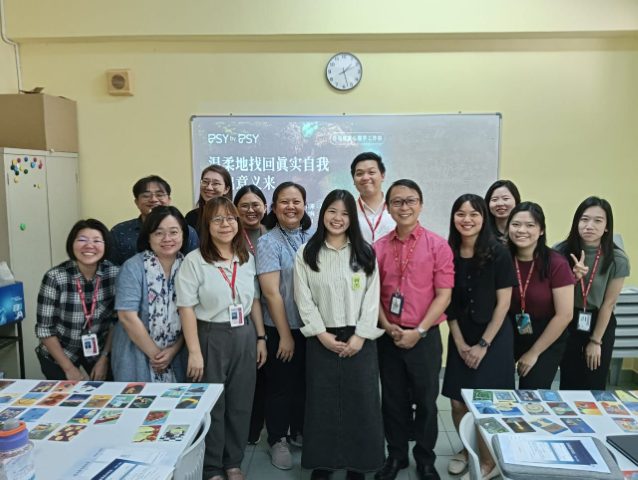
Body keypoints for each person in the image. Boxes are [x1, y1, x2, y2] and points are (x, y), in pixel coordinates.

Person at [294, 189, 384, 480]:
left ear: (352, 218)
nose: (337, 218)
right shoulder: (306, 253)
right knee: (322, 405)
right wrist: (321, 334)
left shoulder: (365, 252)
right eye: (332, 211)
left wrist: (360, 336)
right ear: (323, 214)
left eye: (345, 213)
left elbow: (372, 298)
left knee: (362, 404)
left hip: (360, 339)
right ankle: (324, 463)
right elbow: (303, 299)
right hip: (321, 339)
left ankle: (359, 465)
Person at [176, 196, 267, 480]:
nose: (225, 224)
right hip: (210, 335)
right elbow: (186, 308)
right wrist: (194, 351)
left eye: (230, 218)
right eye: (217, 219)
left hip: (244, 335)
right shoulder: (194, 261)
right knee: (213, 404)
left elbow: (254, 300)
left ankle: (233, 462)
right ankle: (212, 467)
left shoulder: (246, 258)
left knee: (241, 402)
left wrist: (260, 337)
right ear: (207, 225)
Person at [374, 179, 454, 480]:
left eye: (410, 201)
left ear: (420, 204)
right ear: (388, 207)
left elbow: (444, 295)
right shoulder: (378, 248)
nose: (404, 207)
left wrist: (418, 331)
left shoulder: (438, 245)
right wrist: (387, 325)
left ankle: (425, 459)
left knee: (426, 402)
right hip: (389, 335)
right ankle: (396, 456)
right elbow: (372, 294)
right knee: (392, 401)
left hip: (425, 337)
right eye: (397, 201)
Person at [441, 194, 516, 480]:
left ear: (483, 218)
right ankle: (468, 448)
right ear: (453, 218)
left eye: (474, 214)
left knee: (487, 403)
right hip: (461, 335)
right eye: (461, 214)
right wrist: (460, 343)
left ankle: (489, 460)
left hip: (493, 338)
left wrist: (483, 345)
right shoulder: (447, 252)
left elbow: (504, 305)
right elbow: (447, 303)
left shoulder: (498, 253)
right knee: (457, 402)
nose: (467, 219)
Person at [256, 181, 313, 470]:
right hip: (281, 328)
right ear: (274, 207)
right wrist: (286, 335)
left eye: (296, 201)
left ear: (305, 205)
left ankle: (299, 430)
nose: (291, 207)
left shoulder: (313, 237)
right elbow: (271, 293)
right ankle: (277, 438)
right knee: (280, 386)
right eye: (284, 202)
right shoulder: (268, 242)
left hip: (312, 327)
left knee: (305, 383)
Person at [556, 196, 630, 390]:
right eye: (584, 219)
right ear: (576, 222)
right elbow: (553, 296)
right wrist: (573, 278)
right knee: (569, 379)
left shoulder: (617, 259)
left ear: (606, 227)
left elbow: (609, 303)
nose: (590, 226)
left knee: (594, 382)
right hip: (568, 318)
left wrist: (596, 341)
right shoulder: (560, 252)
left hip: (599, 321)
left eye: (598, 220)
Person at [111, 206, 189, 382]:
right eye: (158, 233)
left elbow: (192, 316)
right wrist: (157, 356)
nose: (167, 239)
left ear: (183, 235)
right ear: (148, 236)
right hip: (136, 355)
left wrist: (173, 350)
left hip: (177, 356)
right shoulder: (133, 267)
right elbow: (127, 317)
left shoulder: (189, 266)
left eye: (173, 232)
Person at [36, 219, 119, 380]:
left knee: (105, 392)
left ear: (106, 245)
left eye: (96, 241)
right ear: (72, 244)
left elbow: (116, 322)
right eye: (82, 240)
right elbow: (45, 329)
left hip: (100, 351)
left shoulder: (115, 274)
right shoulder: (55, 277)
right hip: (60, 352)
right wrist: (69, 368)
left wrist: (104, 358)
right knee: (66, 394)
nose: (89, 245)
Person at [506, 202, 574, 389]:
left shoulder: (556, 263)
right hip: (510, 330)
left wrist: (533, 353)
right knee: (499, 387)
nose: (522, 230)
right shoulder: (502, 258)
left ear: (541, 230)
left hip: (547, 334)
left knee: (532, 393)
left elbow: (565, 315)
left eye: (530, 225)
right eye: (516, 224)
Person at [233, 185, 268, 445]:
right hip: (244, 317)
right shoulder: (230, 237)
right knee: (247, 377)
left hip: (274, 314)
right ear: (235, 209)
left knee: (268, 376)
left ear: (265, 207)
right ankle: (247, 430)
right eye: (244, 205)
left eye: (256, 204)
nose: (250, 210)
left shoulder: (273, 235)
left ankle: (262, 427)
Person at [110, 175, 199, 265]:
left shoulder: (187, 231)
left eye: (159, 195)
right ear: (137, 202)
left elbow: (195, 264)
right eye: (146, 196)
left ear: (169, 200)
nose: (153, 199)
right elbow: (111, 267)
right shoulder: (119, 232)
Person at [351, 152, 395, 243]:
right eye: (359, 174)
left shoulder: (397, 209)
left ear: (382, 176)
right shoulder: (348, 212)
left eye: (371, 172)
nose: (365, 177)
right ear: (354, 180)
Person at [185, 165, 233, 233]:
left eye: (215, 183)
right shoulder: (191, 217)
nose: (209, 187)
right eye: (205, 182)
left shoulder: (234, 216)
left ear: (226, 189)